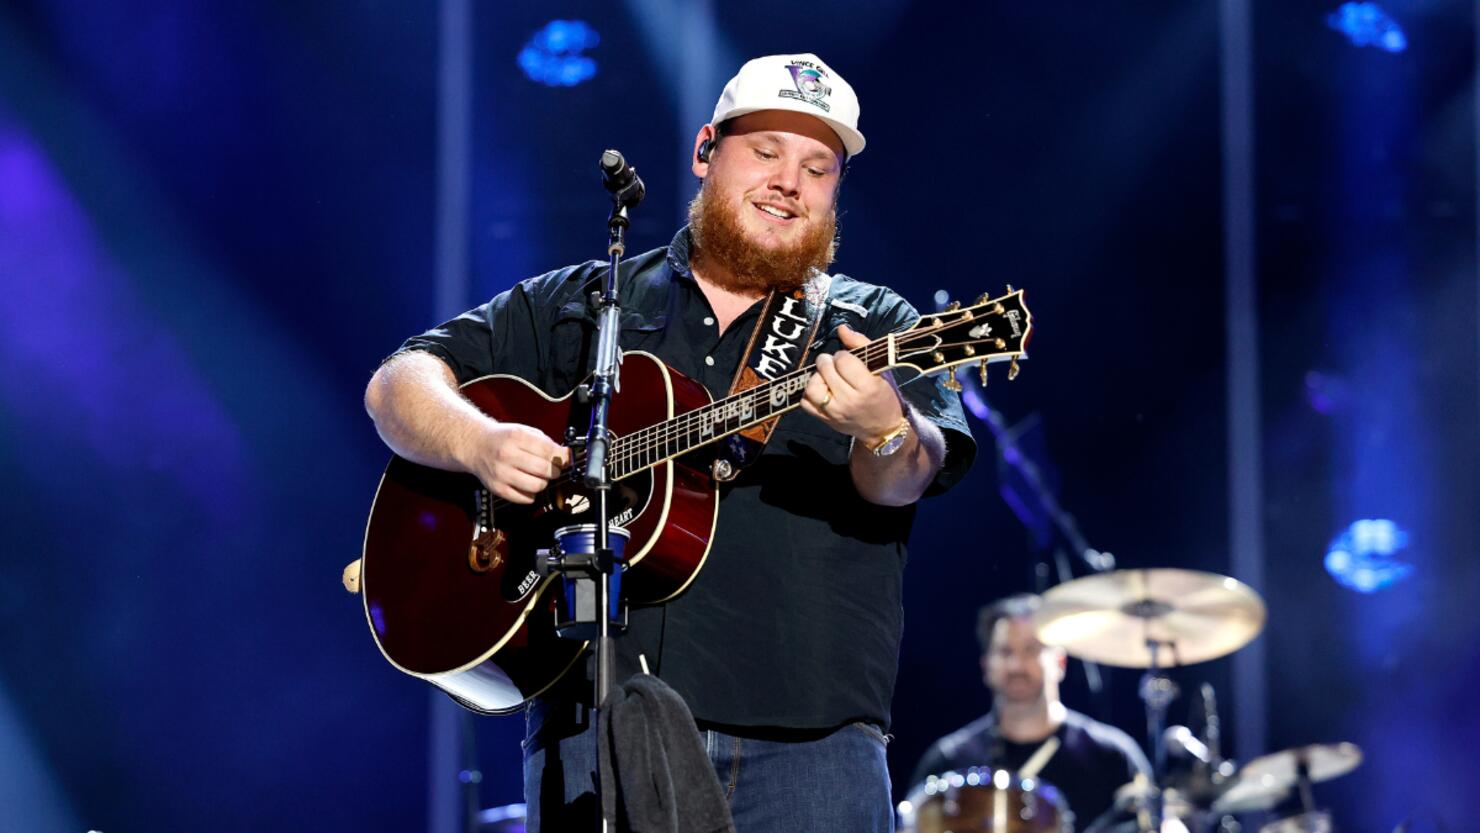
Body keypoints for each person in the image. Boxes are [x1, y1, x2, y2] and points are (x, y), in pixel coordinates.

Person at [364, 53, 976, 832]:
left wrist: (884, 428)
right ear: (705, 151)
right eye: (766, 152)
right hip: (597, 727)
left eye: (818, 168)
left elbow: (907, 476)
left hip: (811, 743)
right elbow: (398, 384)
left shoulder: (874, 321)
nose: (789, 182)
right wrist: (481, 442)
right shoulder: (591, 300)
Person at [909, 594, 1151, 832]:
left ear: (1060, 662)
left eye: (1030, 650)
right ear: (986, 665)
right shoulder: (949, 761)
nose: (1016, 665)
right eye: (1005, 652)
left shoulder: (1113, 757)